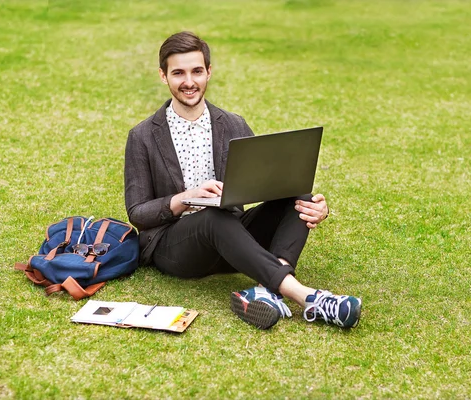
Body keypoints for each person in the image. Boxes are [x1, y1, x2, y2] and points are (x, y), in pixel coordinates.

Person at [124, 31, 361, 330]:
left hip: (232, 241)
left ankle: (268, 292)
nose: (189, 81)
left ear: (209, 71)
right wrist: (187, 197)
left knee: (299, 193)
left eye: (197, 71)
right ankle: (307, 297)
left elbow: (271, 185)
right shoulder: (143, 136)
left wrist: (317, 208)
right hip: (175, 248)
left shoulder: (233, 124)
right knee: (212, 217)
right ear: (163, 76)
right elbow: (137, 213)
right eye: (178, 73)